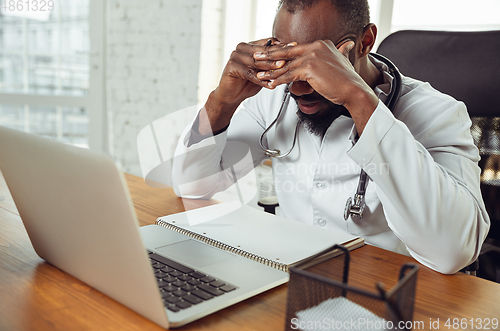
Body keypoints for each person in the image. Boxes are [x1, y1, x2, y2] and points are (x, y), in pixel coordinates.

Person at [172, 0, 490, 274]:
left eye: (318, 60)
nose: (297, 86)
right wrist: (221, 102)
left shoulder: (437, 113)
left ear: (365, 42)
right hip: (291, 277)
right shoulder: (273, 100)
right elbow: (190, 185)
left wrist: (357, 98)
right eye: (287, 57)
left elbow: (452, 253)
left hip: (388, 296)